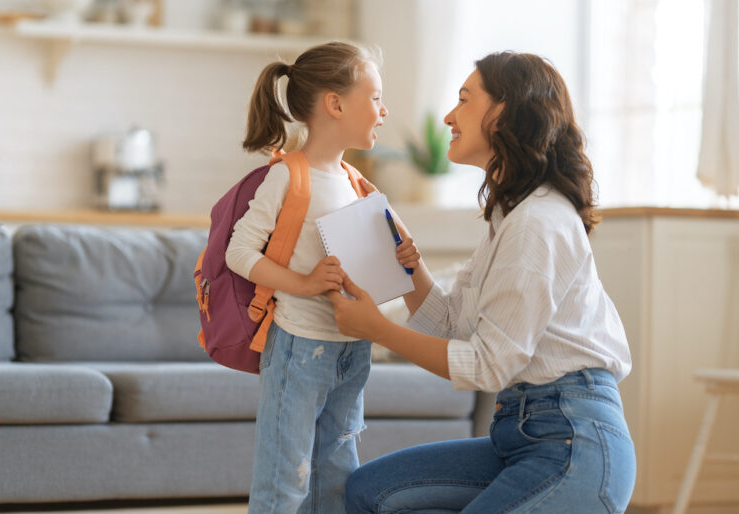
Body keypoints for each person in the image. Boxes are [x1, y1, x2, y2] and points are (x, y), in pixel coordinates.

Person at [327, 51, 636, 513]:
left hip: (573, 441)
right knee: (370, 491)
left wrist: (377, 329)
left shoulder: (538, 223)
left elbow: (488, 366)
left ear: (505, 111)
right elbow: (452, 326)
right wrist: (411, 271)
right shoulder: (508, 217)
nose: (450, 116)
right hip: (520, 435)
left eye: (464, 100)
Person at [225, 41, 390, 514]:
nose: (383, 110)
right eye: (375, 97)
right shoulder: (287, 176)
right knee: (285, 480)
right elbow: (240, 250)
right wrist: (304, 283)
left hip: (351, 351)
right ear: (335, 104)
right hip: (299, 347)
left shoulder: (357, 183)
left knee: (337, 479)